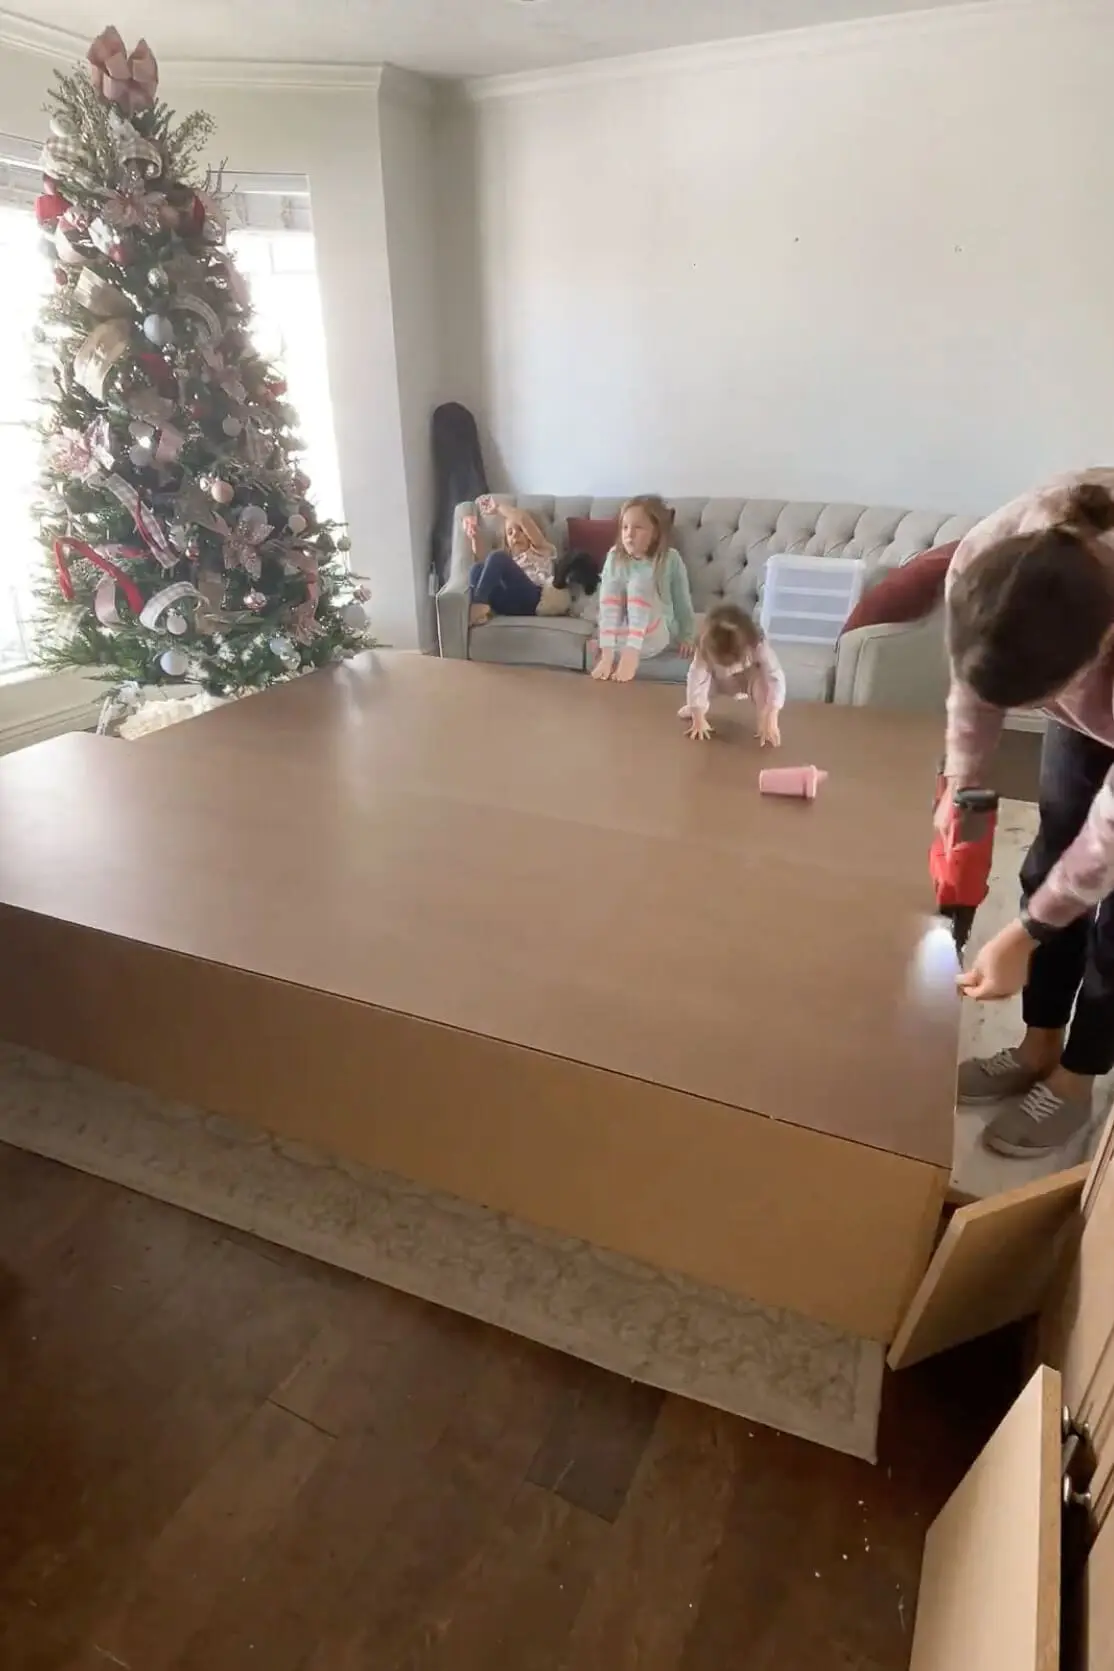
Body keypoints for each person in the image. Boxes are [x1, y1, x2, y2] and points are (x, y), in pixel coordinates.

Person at [942, 470, 1114, 1158]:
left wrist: (1024, 933)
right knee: (1049, 856)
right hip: (1080, 681)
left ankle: (1079, 1075)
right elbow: (976, 678)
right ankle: (1038, 1042)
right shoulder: (992, 558)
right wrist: (963, 787)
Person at [591, 496, 696, 683]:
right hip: (619, 638)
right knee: (612, 584)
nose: (629, 534)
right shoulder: (615, 556)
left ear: (655, 532)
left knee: (639, 582)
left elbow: (682, 602)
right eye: (625, 527)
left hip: (653, 637)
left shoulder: (670, 559)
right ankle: (607, 655)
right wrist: (604, 642)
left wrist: (687, 636)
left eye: (638, 527)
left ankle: (631, 655)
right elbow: (606, 604)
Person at [679, 600, 785, 746]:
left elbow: (775, 678)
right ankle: (696, 709)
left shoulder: (758, 645)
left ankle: (764, 722)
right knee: (700, 691)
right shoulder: (705, 644)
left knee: (762, 685)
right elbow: (697, 679)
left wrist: (772, 715)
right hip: (716, 680)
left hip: (747, 679)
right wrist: (698, 716)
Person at [465, 498, 556, 627]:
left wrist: (497, 507)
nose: (515, 535)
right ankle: (481, 611)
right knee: (477, 568)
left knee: (498, 557)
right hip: (510, 604)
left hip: (534, 599)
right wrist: (474, 536)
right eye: (510, 532)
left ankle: (477, 606)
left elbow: (523, 519)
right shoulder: (510, 558)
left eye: (520, 530)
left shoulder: (542, 549)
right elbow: (484, 566)